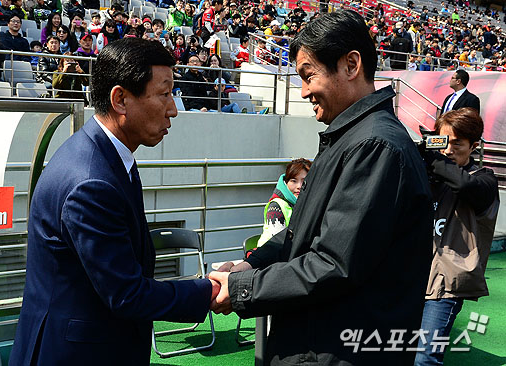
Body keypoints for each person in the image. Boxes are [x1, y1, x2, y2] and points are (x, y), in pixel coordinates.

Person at [208, 10, 433, 365]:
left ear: (351, 64)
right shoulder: (352, 139)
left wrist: (241, 290)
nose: (303, 92)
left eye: (308, 75)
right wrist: (251, 266)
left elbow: (333, 263)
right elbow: (303, 232)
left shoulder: (373, 147)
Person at [9, 37, 218, 366]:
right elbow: (126, 294)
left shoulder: (105, 157)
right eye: (164, 94)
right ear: (120, 99)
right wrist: (212, 291)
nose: (174, 109)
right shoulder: (91, 181)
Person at [415, 108, 499, 366]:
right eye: (442, 142)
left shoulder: (484, 180)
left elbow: (464, 186)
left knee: (425, 358)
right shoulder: (429, 175)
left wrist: (433, 158)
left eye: (457, 144)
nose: (448, 150)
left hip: (447, 284)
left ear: (474, 146)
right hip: (412, 275)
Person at [257, 158, 311, 246]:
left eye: (304, 181)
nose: (299, 186)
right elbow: (277, 245)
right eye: (294, 181)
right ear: (286, 183)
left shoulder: (310, 204)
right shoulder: (276, 207)